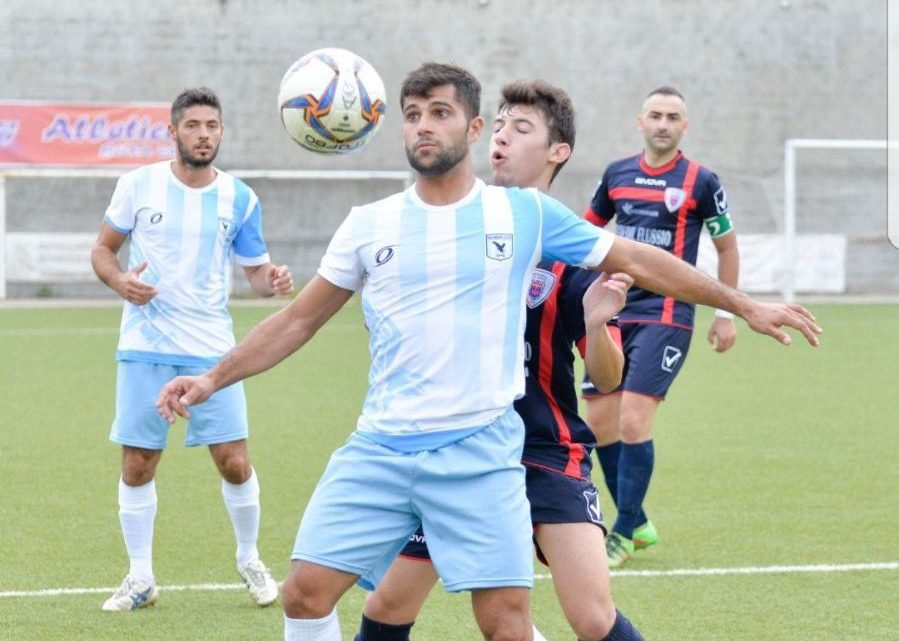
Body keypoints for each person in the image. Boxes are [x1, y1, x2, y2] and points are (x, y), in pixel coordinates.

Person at [155, 63, 819, 641]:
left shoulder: (524, 216)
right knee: (306, 591)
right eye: (412, 114)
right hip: (381, 447)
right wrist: (212, 376)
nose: (423, 126)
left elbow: (640, 259)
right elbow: (298, 320)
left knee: (508, 620)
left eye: (440, 113)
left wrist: (742, 302)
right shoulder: (368, 224)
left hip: (483, 451)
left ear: (471, 130)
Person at [352, 80, 645, 641]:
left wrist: (596, 323)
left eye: (523, 128)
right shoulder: (460, 222)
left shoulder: (572, 246)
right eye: (501, 124)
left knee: (591, 617)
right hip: (458, 445)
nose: (503, 137)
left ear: (558, 151)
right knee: (391, 605)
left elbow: (609, 379)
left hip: (543, 446)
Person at [91, 87, 293, 612]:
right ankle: (140, 578)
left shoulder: (241, 198)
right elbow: (102, 251)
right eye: (193, 125)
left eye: (212, 126)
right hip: (144, 346)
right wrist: (120, 283)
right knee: (138, 463)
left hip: (211, 351)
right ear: (173, 132)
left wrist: (272, 280)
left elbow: (255, 276)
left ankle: (249, 558)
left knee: (233, 460)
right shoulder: (138, 185)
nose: (204, 134)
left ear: (221, 132)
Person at [581, 86, 740, 569]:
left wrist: (727, 312)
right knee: (600, 423)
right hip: (617, 307)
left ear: (684, 127)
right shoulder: (617, 175)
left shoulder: (700, 181)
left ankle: (623, 531)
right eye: (656, 115)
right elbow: (588, 232)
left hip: (668, 312)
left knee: (632, 418)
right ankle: (640, 521)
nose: (664, 123)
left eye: (673, 117)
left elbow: (727, 248)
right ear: (640, 122)